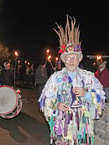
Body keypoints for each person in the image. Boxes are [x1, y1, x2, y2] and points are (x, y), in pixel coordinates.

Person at [38, 15, 105, 145]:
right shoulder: (55, 78)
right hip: (62, 130)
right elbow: (44, 99)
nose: (71, 60)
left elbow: (101, 99)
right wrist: (56, 105)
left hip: (83, 132)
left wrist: (86, 94)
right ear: (64, 60)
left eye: (74, 57)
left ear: (79, 59)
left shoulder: (89, 77)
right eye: (68, 58)